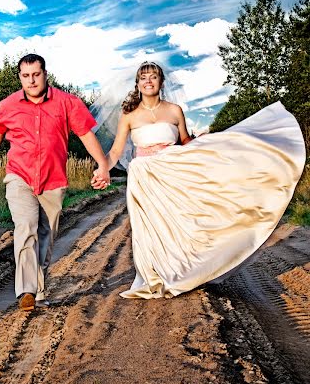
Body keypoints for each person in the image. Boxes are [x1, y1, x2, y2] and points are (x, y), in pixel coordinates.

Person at [91, 60, 305, 299]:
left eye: (153, 76)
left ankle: (184, 271)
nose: (148, 81)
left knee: (179, 223)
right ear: (138, 84)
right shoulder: (129, 115)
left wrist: (207, 142)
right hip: (145, 178)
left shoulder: (174, 110)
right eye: (143, 77)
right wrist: (103, 169)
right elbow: (116, 152)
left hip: (174, 172)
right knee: (150, 229)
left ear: (161, 82)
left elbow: (185, 144)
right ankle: (156, 276)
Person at [0, 53, 110, 311]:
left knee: (45, 236)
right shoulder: (8, 104)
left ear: (45, 74)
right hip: (19, 175)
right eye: (26, 76)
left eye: (36, 74)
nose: (31, 80)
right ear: (20, 77)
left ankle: (38, 291)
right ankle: (26, 290)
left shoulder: (67, 102)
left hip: (53, 179)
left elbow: (85, 134)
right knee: (25, 227)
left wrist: (102, 165)